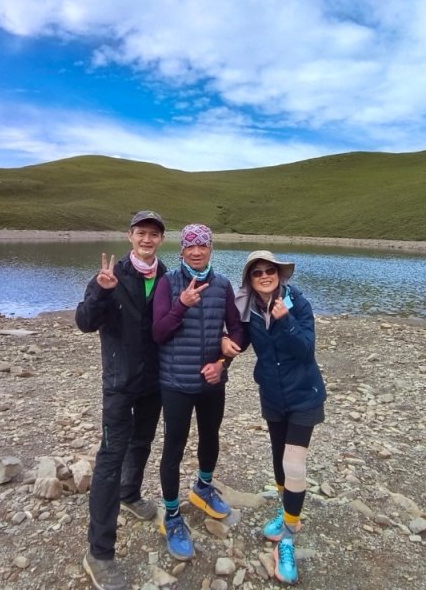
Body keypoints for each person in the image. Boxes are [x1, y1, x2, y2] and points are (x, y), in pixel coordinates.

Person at [76, 210, 169, 590]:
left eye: (154, 234)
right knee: (110, 457)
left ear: (161, 240)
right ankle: (98, 553)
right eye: (141, 233)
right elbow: (84, 321)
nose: (147, 240)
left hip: (154, 381)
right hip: (119, 382)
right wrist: (101, 290)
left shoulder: (168, 277)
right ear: (130, 236)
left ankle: (130, 494)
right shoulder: (111, 275)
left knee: (143, 441)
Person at [224, 250, 326, 585]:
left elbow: (306, 349)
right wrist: (221, 357)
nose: (265, 276)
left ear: (280, 275)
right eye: (258, 272)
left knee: (295, 464)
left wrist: (286, 320)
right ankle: (289, 516)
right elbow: (241, 343)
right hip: (272, 395)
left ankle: (287, 539)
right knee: (279, 463)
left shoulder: (298, 302)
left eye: (271, 270)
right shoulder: (249, 310)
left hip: (304, 395)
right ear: (250, 280)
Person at [152, 223, 245, 561]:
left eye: (202, 246)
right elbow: (159, 332)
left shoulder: (221, 284)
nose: (195, 251)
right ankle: (172, 516)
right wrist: (183, 304)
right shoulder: (168, 282)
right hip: (175, 382)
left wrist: (223, 362)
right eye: (189, 246)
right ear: (181, 251)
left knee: (210, 437)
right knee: (174, 446)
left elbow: (237, 331)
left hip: (211, 382)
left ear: (210, 249)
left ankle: (203, 488)